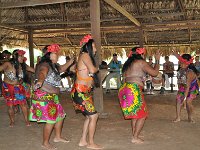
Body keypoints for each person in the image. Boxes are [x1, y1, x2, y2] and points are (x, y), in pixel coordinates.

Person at [29, 44, 74, 150]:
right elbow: (42, 74)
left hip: (53, 97)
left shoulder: (54, 65)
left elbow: (62, 68)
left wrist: (71, 61)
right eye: (55, 53)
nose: (57, 55)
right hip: (44, 97)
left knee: (61, 116)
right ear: (49, 55)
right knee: (51, 120)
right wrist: (40, 82)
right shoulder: (45, 65)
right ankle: (45, 143)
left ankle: (57, 137)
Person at [118, 47, 160, 144]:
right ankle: (135, 137)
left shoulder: (127, 64)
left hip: (124, 89)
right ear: (141, 54)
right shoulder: (140, 62)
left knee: (136, 115)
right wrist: (157, 59)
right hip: (133, 90)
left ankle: (134, 134)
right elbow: (155, 73)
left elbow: (132, 76)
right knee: (143, 115)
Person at [71, 34, 103, 149]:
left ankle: (83, 140)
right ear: (88, 46)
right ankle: (91, 143)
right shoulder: (85, 55)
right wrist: (98, 67)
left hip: (83, 92)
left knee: (89, 117)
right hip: (80, 92)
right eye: (94, 46)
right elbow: (93, 70)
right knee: (94, 116)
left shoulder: (83, 56)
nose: (95, 49)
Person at [0, 49, 34, 127]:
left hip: (19, 88)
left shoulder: (23, 65)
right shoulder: (8, 64)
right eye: (21, 56)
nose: (23, 57)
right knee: (10, 105)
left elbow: (34, 70)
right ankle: (12, 121)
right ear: (15, 56)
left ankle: (27, 121)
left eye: (23, 56)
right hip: (7, 88)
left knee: (23, 104)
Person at [173, 54, 199, 123]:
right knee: (178, 99)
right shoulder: (181, 70)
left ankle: (190, 117)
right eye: (180, 62)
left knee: (188, 102)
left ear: (187, 64)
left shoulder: (190, 72)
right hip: (183, 87)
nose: (180, 63)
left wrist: (184, 100)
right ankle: (178, 117)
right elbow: (181, 83)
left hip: (192, 88)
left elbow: (188, 87)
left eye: (182, 62)